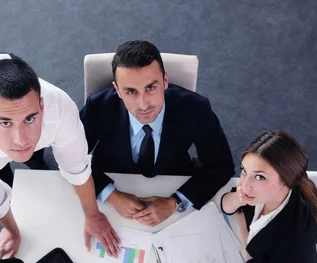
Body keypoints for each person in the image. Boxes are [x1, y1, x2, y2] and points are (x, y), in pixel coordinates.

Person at [0, 54, 121, 259]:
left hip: (2, 60)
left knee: (33, 154)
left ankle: (36, 159)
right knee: (1, 177)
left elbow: (78, 167)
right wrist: (13, 233)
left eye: (30, 118)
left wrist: (93, 215)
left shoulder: (58, 107)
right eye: (5, 123)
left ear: (42, 106)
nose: (21, 139)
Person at [80, 40, 234, 227]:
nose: (143, 104)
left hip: (173, 181)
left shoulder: (195, 108)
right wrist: (110, 195)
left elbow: (221, 166)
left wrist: (176, 202)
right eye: (130, 91)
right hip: (110, 183)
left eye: (151, 88)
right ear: (117, 90)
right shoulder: (97, 107)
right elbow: (72, 160)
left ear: (165, 81)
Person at [220, 131, 317, 263]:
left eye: (259, 177)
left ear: (286, 181)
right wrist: (238, 198)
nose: (244, 185)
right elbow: (226, 206)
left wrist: (244, 242)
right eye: (244, 171)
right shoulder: (258, 193)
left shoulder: (295, 235)